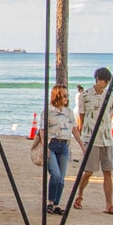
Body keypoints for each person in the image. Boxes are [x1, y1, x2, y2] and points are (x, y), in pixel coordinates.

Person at [76, 68, 113, 216]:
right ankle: (80, 195)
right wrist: (84, 133)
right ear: (97, 79)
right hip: (91, 137)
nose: (105, 84)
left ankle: (109, 204)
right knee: (89, 171)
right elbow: (81, 116)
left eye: (107, 81)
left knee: (108, 171)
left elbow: (111, 114)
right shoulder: (85, 95)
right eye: (103, 81)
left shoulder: (110, 95)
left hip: (106, 138)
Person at [34, 86, 72, 215]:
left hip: (64, 145)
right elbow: (43, 130)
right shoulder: (47, 112)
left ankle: (56, 204)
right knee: (55, 175)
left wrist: (82, 145)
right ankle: (50, 202)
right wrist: (45, 147)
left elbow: (75, 129)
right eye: (64, 96)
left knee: (61, 178)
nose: (66, 98)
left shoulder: (69, 112)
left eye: (67, 96)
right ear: (57, 96)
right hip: (52, 144)